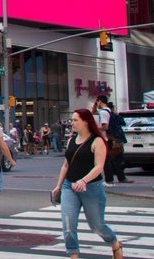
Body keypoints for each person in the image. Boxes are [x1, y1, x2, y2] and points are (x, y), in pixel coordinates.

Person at [51, 108, 124, 259]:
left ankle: (115, 244)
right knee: (68, 225)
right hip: (69, 186)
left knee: (97, 226)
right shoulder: (72, 140)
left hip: (91, 187)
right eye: (72, 120)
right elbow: (66, 165)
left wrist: (84, 180)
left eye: (76, 120)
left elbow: (99, 167)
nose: (72, 123)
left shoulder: (97, 141)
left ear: (86, 122)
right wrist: (58, 185)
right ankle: (73, 255)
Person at [94, 96, 130, 184]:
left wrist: (96, 128)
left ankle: (109, 180)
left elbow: (105, 126)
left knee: (106, 160)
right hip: (113, 138)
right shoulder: (109, 111)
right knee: (114, 159)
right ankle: (119, 178)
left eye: (97, 102)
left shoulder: (103, 112)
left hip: (106, 138)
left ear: (100, 101)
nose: (96, 104)